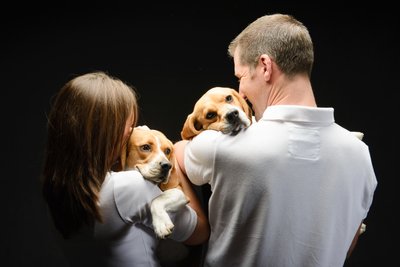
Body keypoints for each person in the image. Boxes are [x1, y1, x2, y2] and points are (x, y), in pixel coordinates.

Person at [174, 13, 377, 267]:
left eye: (241, 78)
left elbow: (176, 152)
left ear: (265, 66)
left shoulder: (220, 147)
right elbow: (346, 246)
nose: (240, 93)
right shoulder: (360, 155)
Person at [41, 71, 209, 267]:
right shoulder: (130, 188)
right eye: (129, 127)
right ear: (106, 133)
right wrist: (171, 155)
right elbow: (200, 233)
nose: (133, 132)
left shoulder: (54, 190)